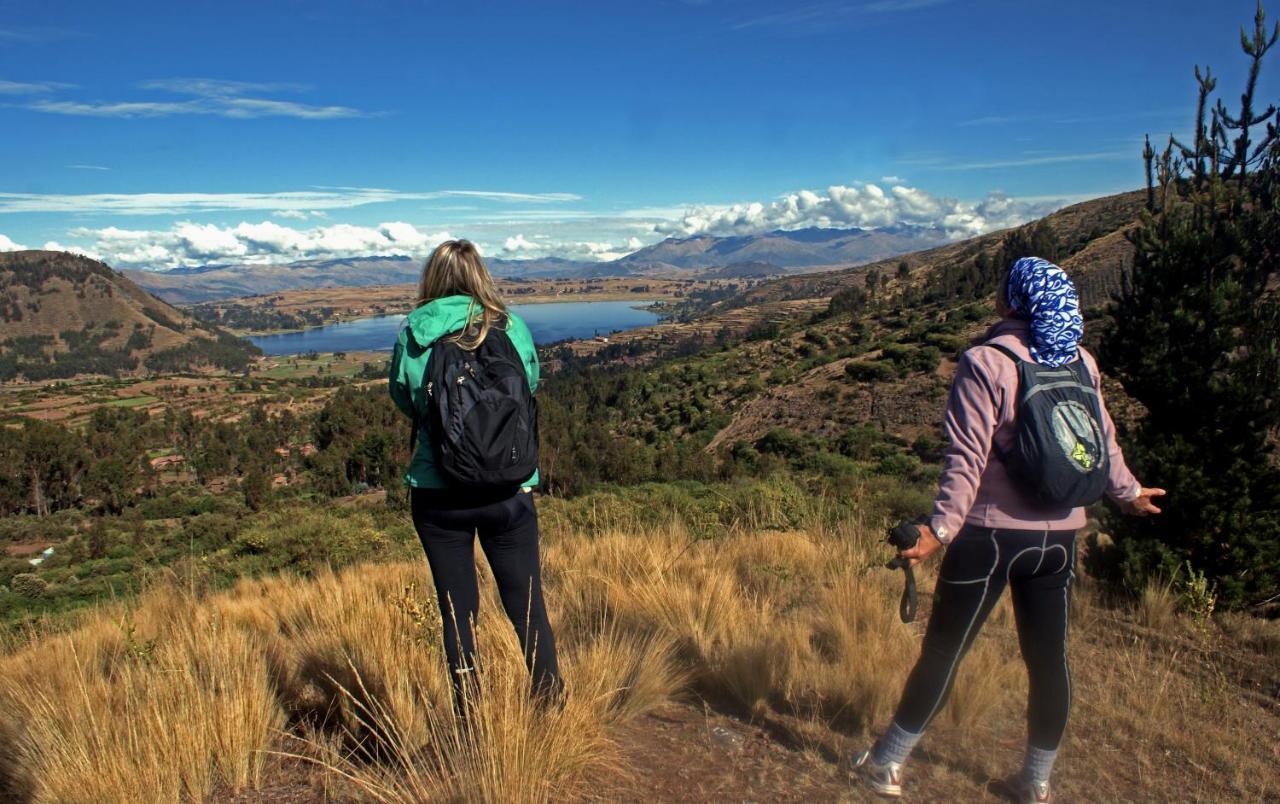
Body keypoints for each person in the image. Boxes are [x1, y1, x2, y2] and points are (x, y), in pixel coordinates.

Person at [854, 257, 1165, 803]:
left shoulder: (985, 361)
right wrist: (1128, 493)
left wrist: (939, 531)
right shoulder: (1080, 361)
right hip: (1060, 539)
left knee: (944, 652)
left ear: (1012, 301)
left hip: (989, 537)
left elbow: (966, 458)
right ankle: (1036, 781)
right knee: (1049, 660)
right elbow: (1101, 439)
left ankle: (887, 764)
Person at [389, 239, 562, 715]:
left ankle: (471, 721)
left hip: (439, 494)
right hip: (509, 489)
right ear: (480, 275)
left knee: (457, 611)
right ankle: (551, 707)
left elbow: (404, 398)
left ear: (432, 278)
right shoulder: (510, 326)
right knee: (527, 605)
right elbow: (529, 388)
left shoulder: (416, 332)